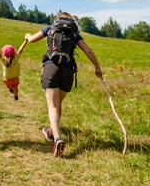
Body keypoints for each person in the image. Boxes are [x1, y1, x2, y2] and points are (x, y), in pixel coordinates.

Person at [25, 12, 103, 157]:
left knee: (53, 106)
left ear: (58, 19)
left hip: (51, 67)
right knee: (58, 104)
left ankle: (57, 138)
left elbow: (32, 40)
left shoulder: (50, 28)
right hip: (68, 71)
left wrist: (28, 36)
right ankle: (51, 132)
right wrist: (97, 68)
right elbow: (88, 50)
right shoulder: (74, 33)